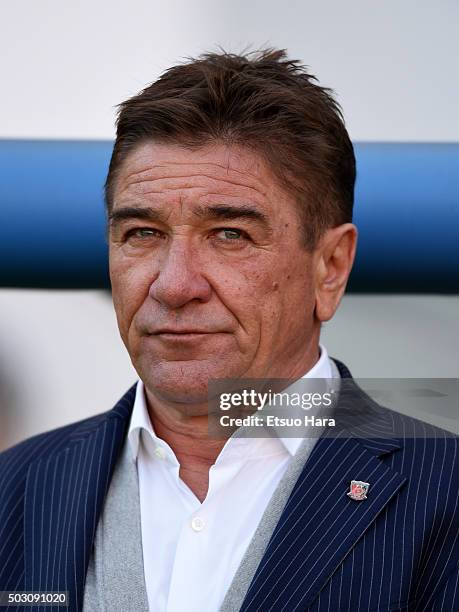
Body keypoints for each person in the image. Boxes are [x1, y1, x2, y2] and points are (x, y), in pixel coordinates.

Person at [0, 49, 457, 612]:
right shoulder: (15, 489)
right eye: (143, 232)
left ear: (330, 267)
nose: (174, 285)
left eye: (230, 234)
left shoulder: (446, 492)